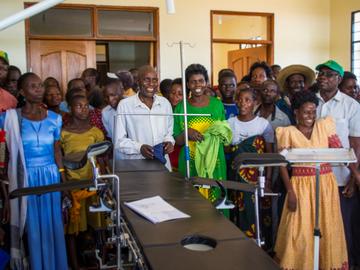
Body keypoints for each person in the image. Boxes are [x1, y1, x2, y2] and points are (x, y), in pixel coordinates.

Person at [0, 72, 67, 269]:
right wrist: (6, 194)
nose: (39, 90)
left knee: (52, 224)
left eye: (40, 85)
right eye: (33, 86)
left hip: (50, 177)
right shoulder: (9, 119)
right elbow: (3, 157)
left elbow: (56, 150)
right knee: (30, 227)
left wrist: (62, 178)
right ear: (22, 91)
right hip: (24, 179)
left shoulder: (55, 119)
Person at [274, 91, 348, 270]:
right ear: (296, 112)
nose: (310, 116)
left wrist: (345, 157)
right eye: (306, 112)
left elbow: (339, 150)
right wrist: (290, 191)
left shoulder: (324, 125)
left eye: (313, 112)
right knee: (298, 229)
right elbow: (282, 165)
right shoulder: (287, 132)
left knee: (326, 226)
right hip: (299, 184)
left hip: (325, 184)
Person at [315, 60, 360, 268]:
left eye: (328, 74)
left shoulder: (351, 106)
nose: (322, 77)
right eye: (320, 73)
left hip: (341, 177)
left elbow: (355, 143)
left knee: (343, 227)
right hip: (313, 176)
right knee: (317, 225)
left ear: (339, 79)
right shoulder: (309, 101)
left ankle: (345, 264)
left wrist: (353, 177)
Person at [173, 64, 231, 204]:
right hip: (190, 161)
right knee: (191, 203)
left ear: (206, 83)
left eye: (201, 81)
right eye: (193, 81)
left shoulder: (217, 105)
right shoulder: (182, 107)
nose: (197, 84)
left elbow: (224, 133)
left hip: (214, 161)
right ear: (187, 84)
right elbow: (176, 139)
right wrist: (187, 133)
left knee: (216, 202)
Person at [227, 87, 274, 245]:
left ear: (256, 102)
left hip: (257, 179)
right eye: (240, 99)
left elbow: (269, 154)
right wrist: (237, 148)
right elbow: (226, 149)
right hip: (236, 177)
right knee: (238, 212)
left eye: (248, 100)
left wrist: (267, 180)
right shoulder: (230, 123)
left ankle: (257, 243)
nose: (243, 103)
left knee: (256, 213)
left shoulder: (263, 124)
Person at [115, 65, 175, 170]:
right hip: (137, 165)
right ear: (138, 81)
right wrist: (140, 148)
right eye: (146, 80)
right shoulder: (125, 105)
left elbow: (169, 133)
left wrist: (169, 142)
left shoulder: (165, 104)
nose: (151, 84)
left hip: (162, 164)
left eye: (155, 80)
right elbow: (119, 141)